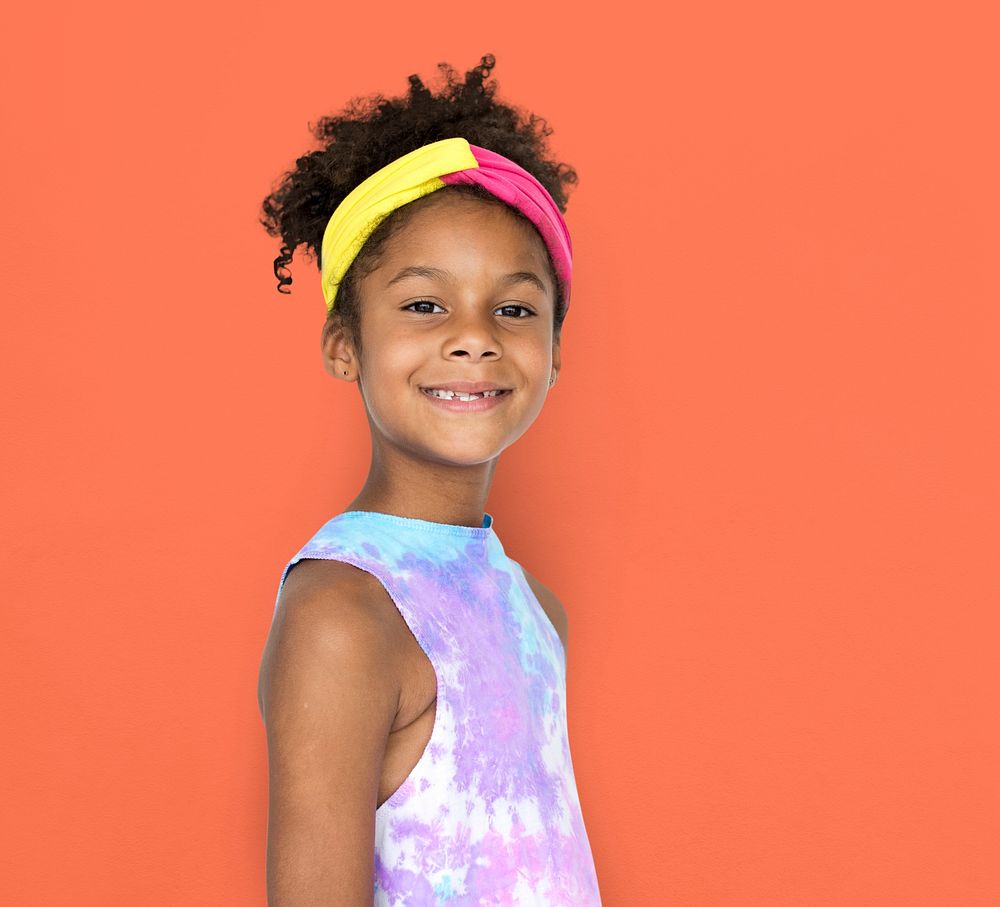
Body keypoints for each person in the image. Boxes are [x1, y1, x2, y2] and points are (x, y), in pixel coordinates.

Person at [256, 53, 602, 906]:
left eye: (515, 308)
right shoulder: (344, 612)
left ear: (554, 353)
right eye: (424, 304)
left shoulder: (536, 608)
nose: (474, 337)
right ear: (346, 344)